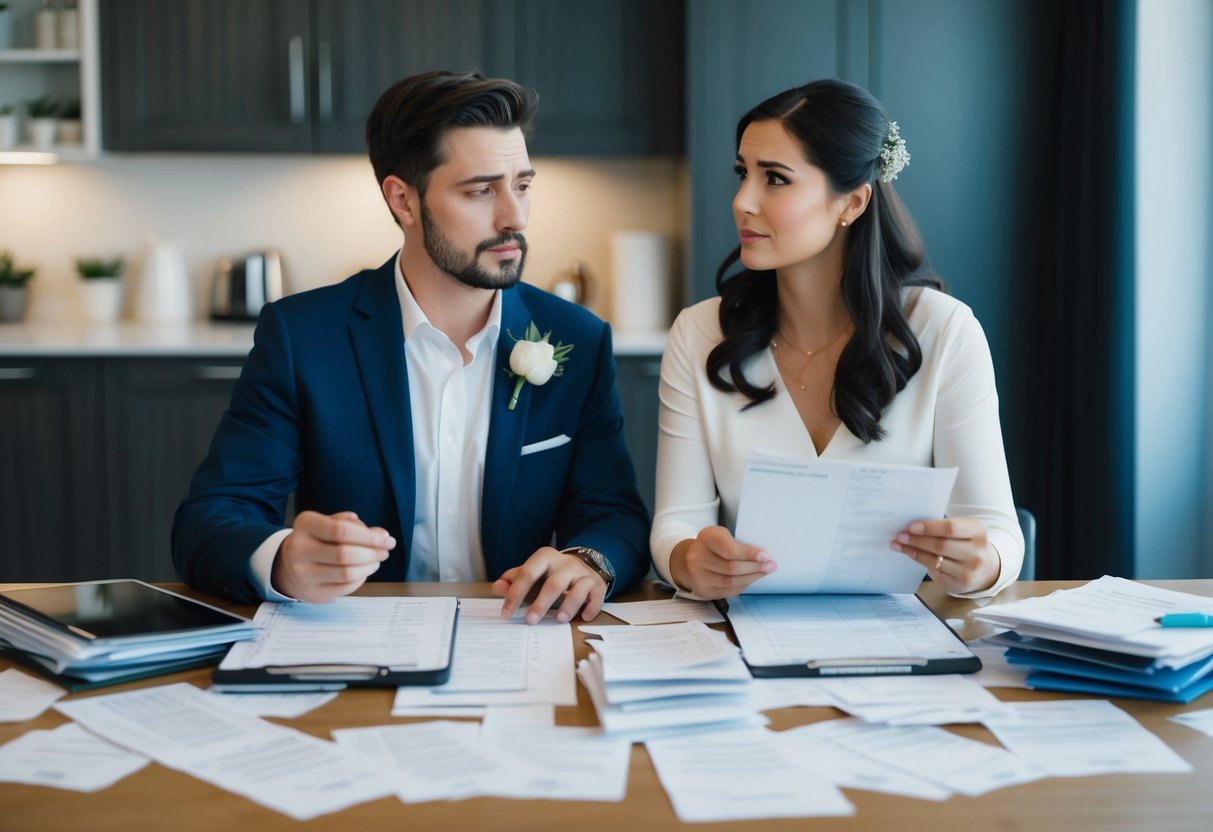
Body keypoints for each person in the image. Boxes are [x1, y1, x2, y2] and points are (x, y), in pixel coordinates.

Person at [173, 71, 650, 624]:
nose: (514, 217)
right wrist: (282, 562)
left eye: (522, 185)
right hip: (357, 639)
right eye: (480, 191)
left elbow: (614, 516)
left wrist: (589, 561)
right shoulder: (303, 337)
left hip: (516, 632)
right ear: (403, 200)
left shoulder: (578, 339)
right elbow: (209, 519)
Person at [651, 79, 1023, 600]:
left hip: (901, 635)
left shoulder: (944, 330)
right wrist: (689, 560)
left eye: (775, 179)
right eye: (742, 174)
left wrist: (983, 563)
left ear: (852, 202)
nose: (742, 202)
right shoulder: (699, 333)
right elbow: (676, 524)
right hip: (745, 630)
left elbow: (998, 531)